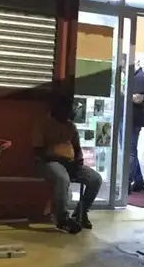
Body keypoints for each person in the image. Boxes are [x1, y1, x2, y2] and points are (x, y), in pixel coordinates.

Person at [33, 94, 102, 233]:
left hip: (69, 164)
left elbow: (77, 148)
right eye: (66, 108)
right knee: (62, 178)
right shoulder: (43, 124)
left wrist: (78, 160)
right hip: (48, 163)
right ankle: (62, 218)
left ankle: (81, 212)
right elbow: (38, 151)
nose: (69, 111)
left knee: (95, 178)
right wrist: (58, 159)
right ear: (57, 108)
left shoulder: (71, 126)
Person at [127, 65, 144, 194]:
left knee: (130, 152)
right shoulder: (135, 77)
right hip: (130, 119)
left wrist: (123, 94)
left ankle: (128, 181)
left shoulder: (140, 78)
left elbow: (138, 98)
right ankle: (139, 181)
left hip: (134, 120)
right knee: (130, 151)